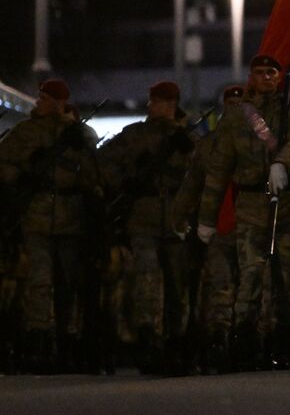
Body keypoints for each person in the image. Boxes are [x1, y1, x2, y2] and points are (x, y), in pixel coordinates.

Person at [194, 55, 290, 371]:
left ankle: (283, 342)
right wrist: (207, 218)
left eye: (271, 72)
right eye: (259, 73)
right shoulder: (236, 118)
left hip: (287, 207)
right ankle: (245, 342)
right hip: (250, 206)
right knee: (250, 276)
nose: (265, 78)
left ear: (279, 77)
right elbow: (219, 169)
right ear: (251, 77)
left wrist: (281, 163)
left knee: (284, 279)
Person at [98, 80, 197, 374]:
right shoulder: (135, 135)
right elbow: (103, 162)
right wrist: (127, 179)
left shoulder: (188, 139)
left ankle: (176, 342)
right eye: (154, 100)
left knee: (178, 284)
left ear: (173, 103)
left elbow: (204, 172)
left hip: (177, 217)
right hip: (143, 215)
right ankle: (148, 337)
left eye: (163, 101)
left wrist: (187, 156)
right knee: (148, 279)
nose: (156, 106)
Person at [0, 80, 99, 373]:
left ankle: (68, 338)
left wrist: (79, 141)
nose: (39, 103)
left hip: (71, 218)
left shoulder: (78, 134)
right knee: (39, 281)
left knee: (69, 282)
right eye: (39, 97)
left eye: (45, 98)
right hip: (37, 215)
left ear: (59, 102)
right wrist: (22, 173)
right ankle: (39, 338)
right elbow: (3, 162)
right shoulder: (25, 132)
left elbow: (93, 172)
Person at [173, 84, 245, 374]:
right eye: (230, 102)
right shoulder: (209, 145)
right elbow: (192, 184)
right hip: (217, 225)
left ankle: (248, 341)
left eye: (241, 102)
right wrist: (180, 218)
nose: (235, 107)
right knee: (220, 286)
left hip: (252, 224)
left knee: (252, 287)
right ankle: (218, 341)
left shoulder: (258, 142)